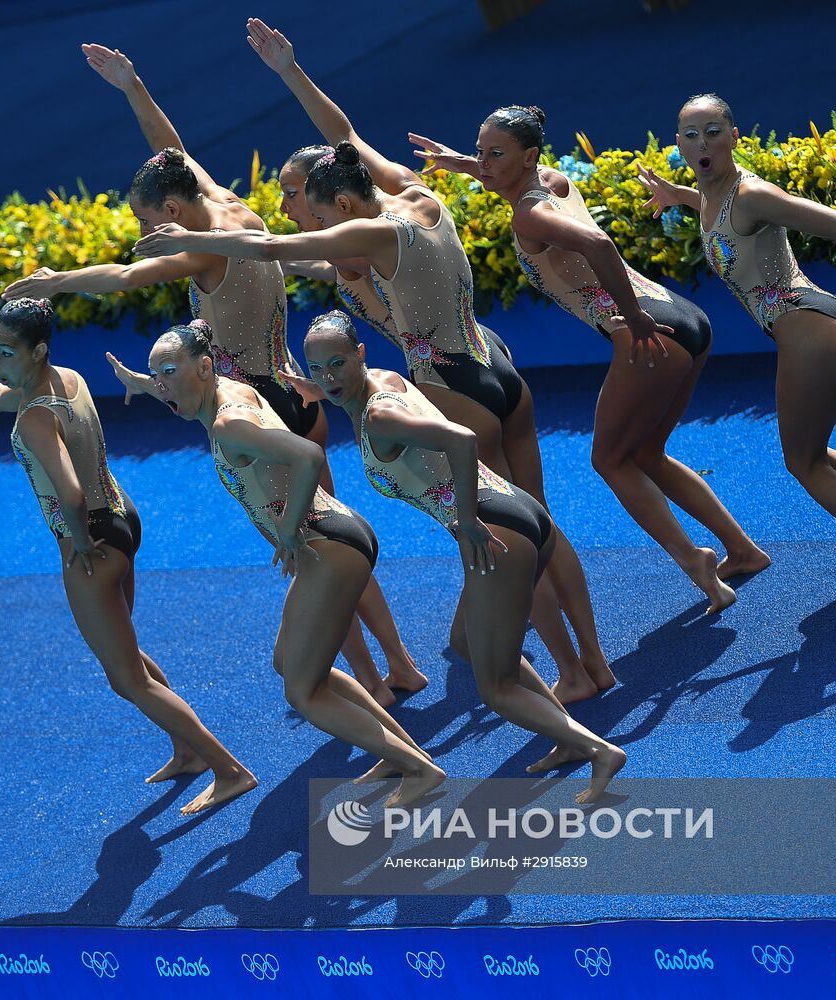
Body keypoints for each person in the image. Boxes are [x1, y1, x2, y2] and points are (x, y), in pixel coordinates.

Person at [141, 20, 615, 704]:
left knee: (502, 535)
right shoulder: (414, 197)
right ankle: (588, 660)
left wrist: (198, 242)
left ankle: (572, 672)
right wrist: (289, 71)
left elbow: (271, 244)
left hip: (453, 386)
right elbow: (346, 135)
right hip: (494, 363)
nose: (285, 205)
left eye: (294, 194)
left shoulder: (358, 232)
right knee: (533, 521)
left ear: (332, 194)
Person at [4, 45, 424, 702]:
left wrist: (57, 282)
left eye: (149, 219)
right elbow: (170, 151)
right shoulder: (230, 208)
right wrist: (133, 85)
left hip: (252, 412)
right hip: (297, 395)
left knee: (312, 554)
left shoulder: (199, 253)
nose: (148, 231)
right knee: (335, 529)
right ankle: (396, 662)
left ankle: (368, 682)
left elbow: (125, 277)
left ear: (171, 212)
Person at [0, 299, 256, 815]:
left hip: (90, 542)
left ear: (36, 351)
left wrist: (78, 542)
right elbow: (5, 396)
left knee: (125, 678)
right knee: (127, 651)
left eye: (5, 352)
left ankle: (228, 769)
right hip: (122, 516)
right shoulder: (66, 380)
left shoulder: (33, 422)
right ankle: (187, 749)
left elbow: (68, 494)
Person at [410, 107, 770, 613]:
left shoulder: (530, 215)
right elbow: (515, 180)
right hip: (686, 318)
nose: (483, 163)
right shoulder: (552, 182)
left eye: (494, 154)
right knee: (646, 453)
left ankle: (696, 564)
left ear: (527, 155)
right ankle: (743, 550)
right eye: (480, 151)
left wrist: (634, 320)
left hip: (647, 333)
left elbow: (598, 242)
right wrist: (460, 163)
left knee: (609, 460)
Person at [108, 320, 445, 808]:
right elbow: (181, 391)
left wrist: (287, 531)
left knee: (303, 692)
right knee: (289, 663)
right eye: (154, 375)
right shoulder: (228, 389)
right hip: (336, 538)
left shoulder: (227, 422)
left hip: (326, 546)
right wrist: (144, 383)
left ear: (204, 367)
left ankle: (418, 769)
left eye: (168, 372)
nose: (161, 386)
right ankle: (401, 753)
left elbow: (309, 454)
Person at [292, 311, 627, 802]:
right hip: (523, 511)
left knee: (496, 687)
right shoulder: (386, 381)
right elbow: (348, 392)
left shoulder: (380, 416)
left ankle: (599, 750)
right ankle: (566, 738)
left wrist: (467, 521)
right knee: (466, 641)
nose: (328, 378)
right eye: (317, 368)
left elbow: (462, 438)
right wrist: (313, 386)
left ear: (360, 354)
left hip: (493, 531)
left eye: (337, 364)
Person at [639, 94, 836, 597]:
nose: (702, 143)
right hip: (818, 323)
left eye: (713, 130)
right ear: (678, 144)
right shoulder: (714, 192)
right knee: (816, 451)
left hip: (809, 329)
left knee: (802, 463)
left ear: (735, 136)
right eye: (691, 134)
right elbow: (719, 216)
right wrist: (678, 195)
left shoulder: (752, 193)